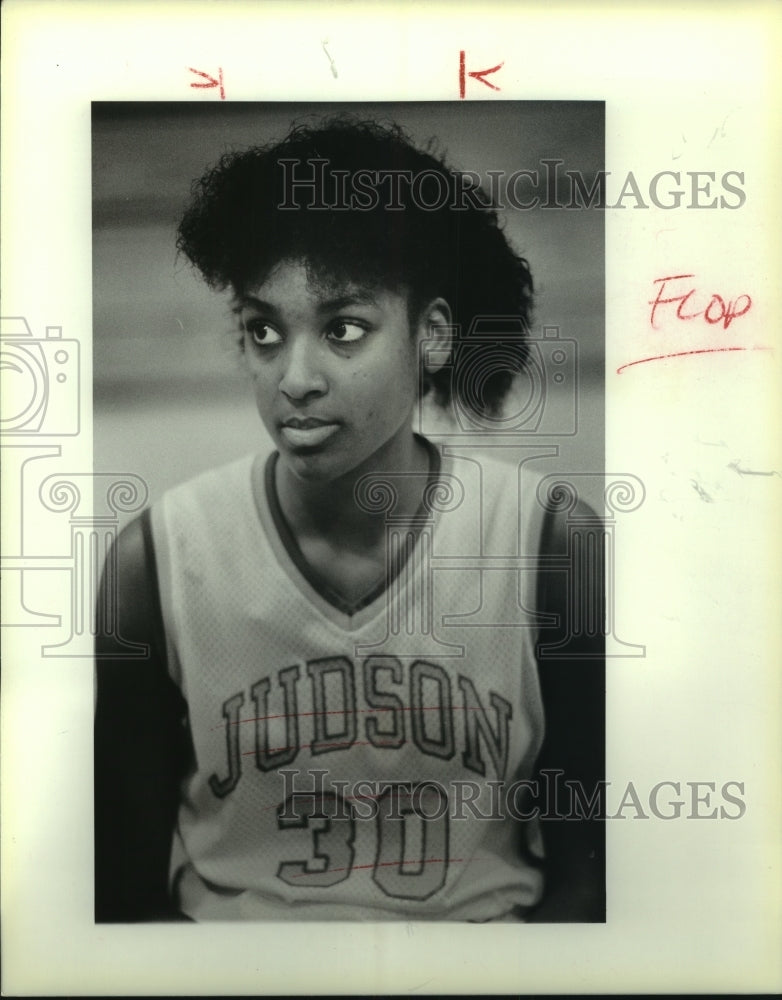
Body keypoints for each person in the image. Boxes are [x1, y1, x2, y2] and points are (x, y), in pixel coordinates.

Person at [94, 115, 604, 923]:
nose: (294, 378)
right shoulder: (152, 561)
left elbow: (593, 879)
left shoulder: (548, 544)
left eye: (344, 330)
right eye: (265, 330)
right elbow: (118, 904)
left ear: (432, 336)